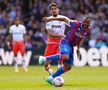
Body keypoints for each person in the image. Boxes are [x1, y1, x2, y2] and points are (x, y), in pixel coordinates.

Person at [39, 16, 91, 84]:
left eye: (87, 22)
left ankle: (50, 78)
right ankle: (44, 58)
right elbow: (64, 19)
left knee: (68, 67)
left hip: (71, 46)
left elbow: (81, 38)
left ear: (90, 23)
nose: (85, 23)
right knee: (66, 56)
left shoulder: (88, 30)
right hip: (65, 42)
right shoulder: (76, 24)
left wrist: (78, 48)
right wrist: (50, 19)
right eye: (84, 21)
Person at [43, 3, 69, 75]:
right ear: (50, 11)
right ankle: (51, 73)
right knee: (45, 64)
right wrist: (63, 35)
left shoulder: (64, 18)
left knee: (60, 59)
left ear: (58, 10)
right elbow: (50, 34)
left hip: (61, 42)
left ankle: (58, 76)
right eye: (52, 9)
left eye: (55, 9)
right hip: (51, 42)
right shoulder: (49, 20)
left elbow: (72, 25)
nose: (54, 10)